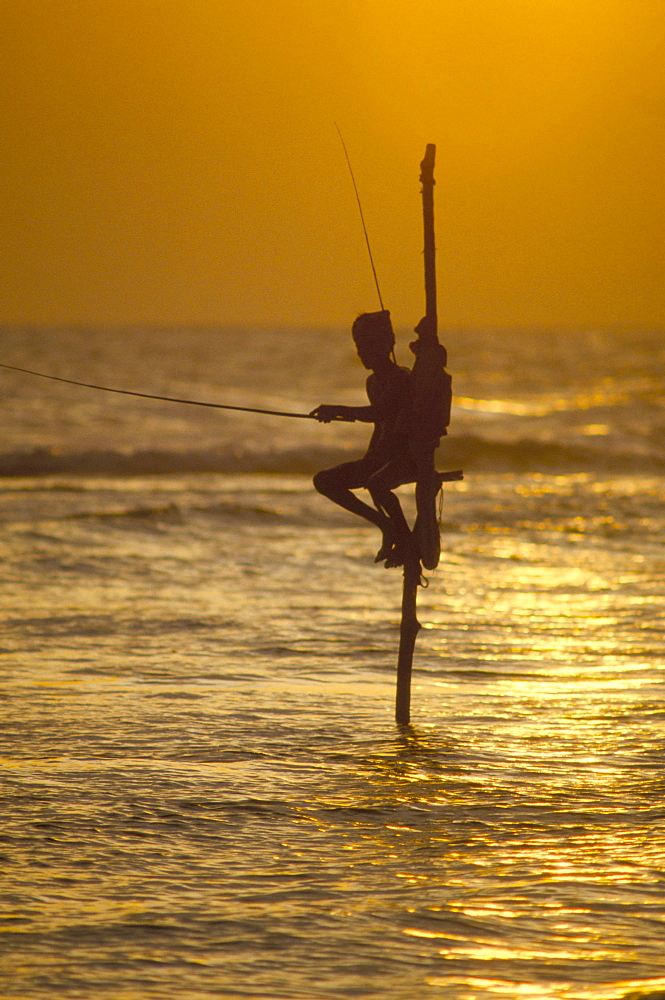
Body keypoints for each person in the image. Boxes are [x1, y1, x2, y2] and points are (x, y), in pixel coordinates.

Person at [310, 310, 417, 568]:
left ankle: (404, 539)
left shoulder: (400, 379)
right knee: (324, 480)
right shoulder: (373, 382)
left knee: (376, 483)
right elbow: (380, 426)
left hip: (404, 459)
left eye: (368, 345)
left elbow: (380, 414)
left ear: (387, 344)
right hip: (379, 459)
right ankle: (385, 525)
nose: (361, 352)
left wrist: (337, 410)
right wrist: (370, 456)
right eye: (359, 346)